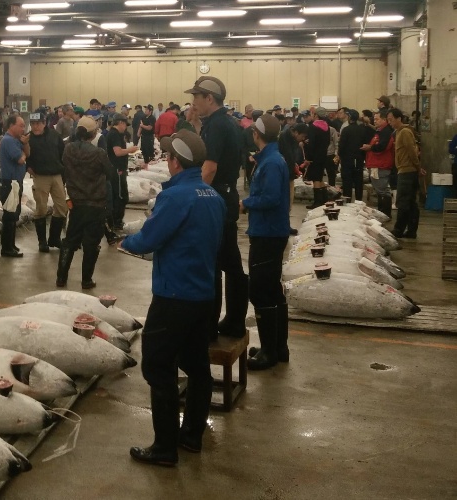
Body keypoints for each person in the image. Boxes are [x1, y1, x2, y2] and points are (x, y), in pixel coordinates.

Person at [121, 130, 225, 466]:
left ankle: (164, 448)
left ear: (175, 161)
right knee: (197, 366)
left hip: (173, 296)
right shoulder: (213, 196)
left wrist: (127, 243)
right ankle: (192, 435)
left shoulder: (176, 197)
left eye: (168, 156)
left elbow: (149, 238)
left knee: (158, 366)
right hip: (203, 295)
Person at [185, 76, 247, 341]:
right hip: (227, 195)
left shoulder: (218, 126)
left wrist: (193, 198)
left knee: (214, 264)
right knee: (229, 263)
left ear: (208, 98)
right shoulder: (226, 122)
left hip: (217, 198)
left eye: (196, 97)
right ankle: (231, 320)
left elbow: (209, 168)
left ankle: (210, 326)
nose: (193, 102)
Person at [240, 115, 290, 371]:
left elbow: (269, 198)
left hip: (267, 233)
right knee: (272, 289)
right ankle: (278, 347)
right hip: (271, 231)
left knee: (260, 290)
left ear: (257, 135)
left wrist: (245, 203)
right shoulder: (271, 158)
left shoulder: (270, 162)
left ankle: (269, 352)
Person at [57, 116, 111, 289]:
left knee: (70, 241)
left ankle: (61, 277)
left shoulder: (68, 149)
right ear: (93, 133)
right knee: (91, 244)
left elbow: (64, 167)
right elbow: (109, 173)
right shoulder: (99, 153)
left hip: (76, 203)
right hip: (95, 204)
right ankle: (86, 280)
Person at [26, 111, 68, 252]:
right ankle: (42, 242)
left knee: (62, 207)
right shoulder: (28, 139)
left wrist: (64, 172)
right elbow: (25, 155)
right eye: (32, 124)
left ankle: (54, 239)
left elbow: (63, 153)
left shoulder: (54, 135)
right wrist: (28, 167)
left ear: (44, 123)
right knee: (41, 209)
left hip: (56, 175)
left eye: (38, 123)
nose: (35, 126)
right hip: (40, 177)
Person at [387, 109, 424, 238]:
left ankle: (398, 230)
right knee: (411, 203)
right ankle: (411, 231)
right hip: (405, 170)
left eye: (391, 119)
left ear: (399, 118)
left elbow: (412, 152)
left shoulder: (405, 132)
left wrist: (418, 168)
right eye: (388, 120)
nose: (389, 122)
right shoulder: (398, 132)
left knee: (403, 202)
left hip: (407, 171)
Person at [0, 114, 30, 257]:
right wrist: (23, 155)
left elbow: (27, 154)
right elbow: (20, 160)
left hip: (16, 183)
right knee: (9, 217)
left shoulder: (16, 140)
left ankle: (11, 244)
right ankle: (6, 248)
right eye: (21, 125)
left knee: (14, 216)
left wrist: (25, 144)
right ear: (11, 125)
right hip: (9, 184)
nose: (23, 129)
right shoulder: (8, 141)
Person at [106, 113, 139, 231]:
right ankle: (116, 223)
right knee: (120, 196)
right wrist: (130, 150)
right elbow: (117, 152)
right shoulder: (114, 134)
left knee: (120, 195)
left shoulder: (117, 134)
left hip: (119, 169)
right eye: (125, 125)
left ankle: (116, 221)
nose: (126, 128)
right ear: (120, 123)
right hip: (117, 170)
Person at [361, 109, 394, 218]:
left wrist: (370, 147)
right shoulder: (380, 131)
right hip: (376, 164)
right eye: (374, 119)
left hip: (381, 165)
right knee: (380, 190)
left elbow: (382, 147)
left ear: (385, 120)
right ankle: (382, 213)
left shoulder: (386, 132)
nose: (374, 121)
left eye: (377, 119)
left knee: (383, 190)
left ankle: (385, 214)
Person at [278, 123, 309, 235]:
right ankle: (283, 226)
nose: (303, 139)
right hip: (284, 175)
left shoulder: (292, 138)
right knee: (285, 201)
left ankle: (285, 225)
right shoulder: (284, 137)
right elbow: (286, 156)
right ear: (296, 132)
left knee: (289, 202)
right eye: (303, 136)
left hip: (290, 174)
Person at [304, 107, 331, 209]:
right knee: (320, 177)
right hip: (323, 155)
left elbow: (312, 143)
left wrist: (308, 157)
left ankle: (317, 202)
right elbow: (328, 141)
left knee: (315, 178)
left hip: (314, 156)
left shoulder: (313, 126)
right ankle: (325, 199)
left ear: (316, 115)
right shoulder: (326, 126)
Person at [338, 109, 366, 201]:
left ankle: (347, 200)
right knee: (358, 181)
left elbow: (341, 146)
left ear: (349, 118)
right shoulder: (362, 129)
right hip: (359, 159)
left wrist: (339, 156)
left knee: (347, 181)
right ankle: (359, 201)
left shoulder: (346, 130)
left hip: (347, 160)